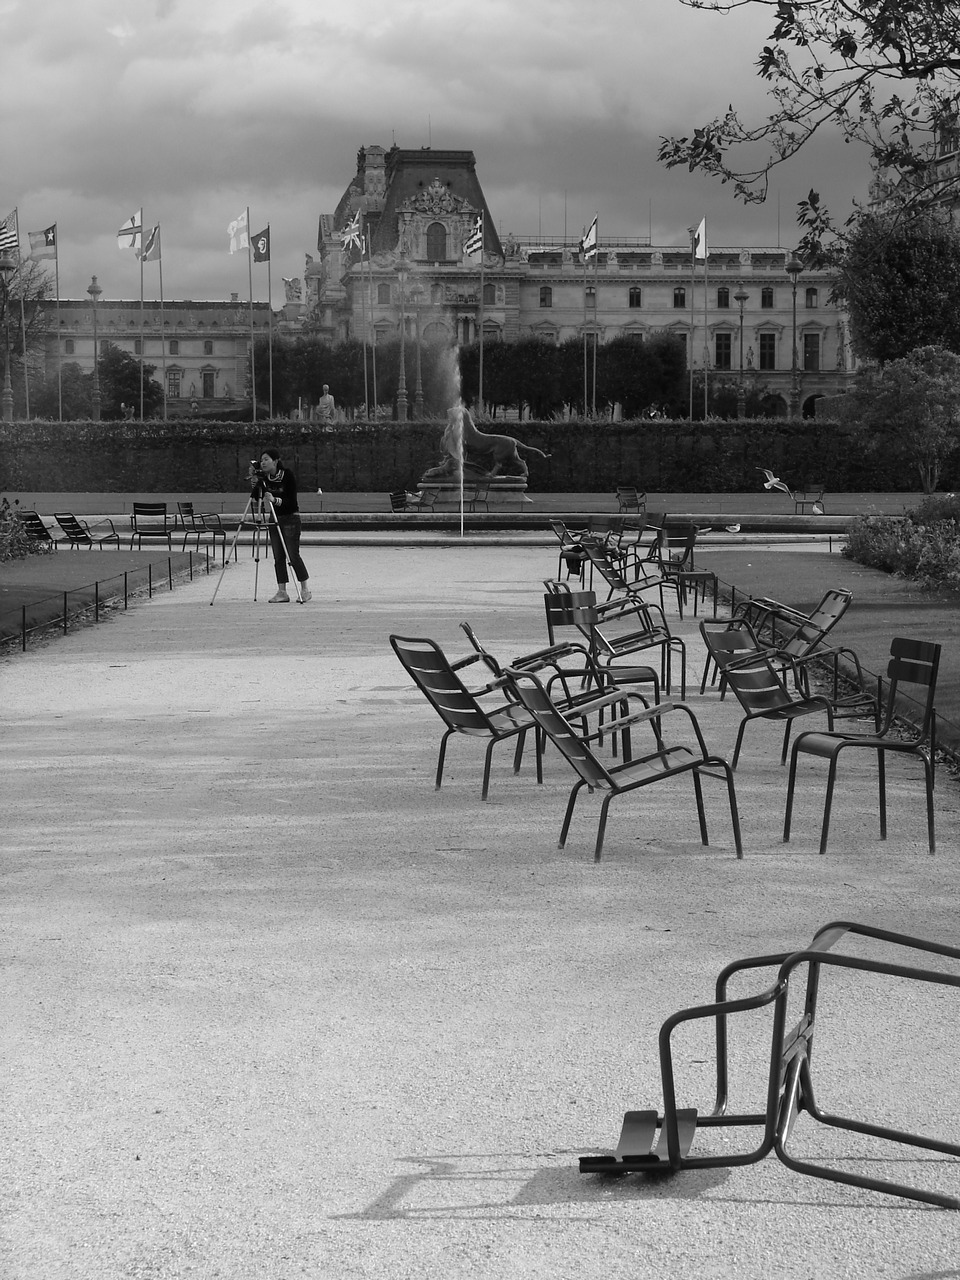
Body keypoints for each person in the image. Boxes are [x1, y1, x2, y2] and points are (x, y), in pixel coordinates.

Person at [249, 447, 312, 603]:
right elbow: (257, 499)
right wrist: (256, 485)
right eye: (261, 460)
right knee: (278, 557)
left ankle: (305, 589)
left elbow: (291, 501)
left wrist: (274, 500)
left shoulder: (287, 475)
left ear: (275, 461)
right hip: (274, 518)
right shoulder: (264, 479)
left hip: (290, 517)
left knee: (293, 555)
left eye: (266, 459)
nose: (263, 463)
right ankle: (282, 591)